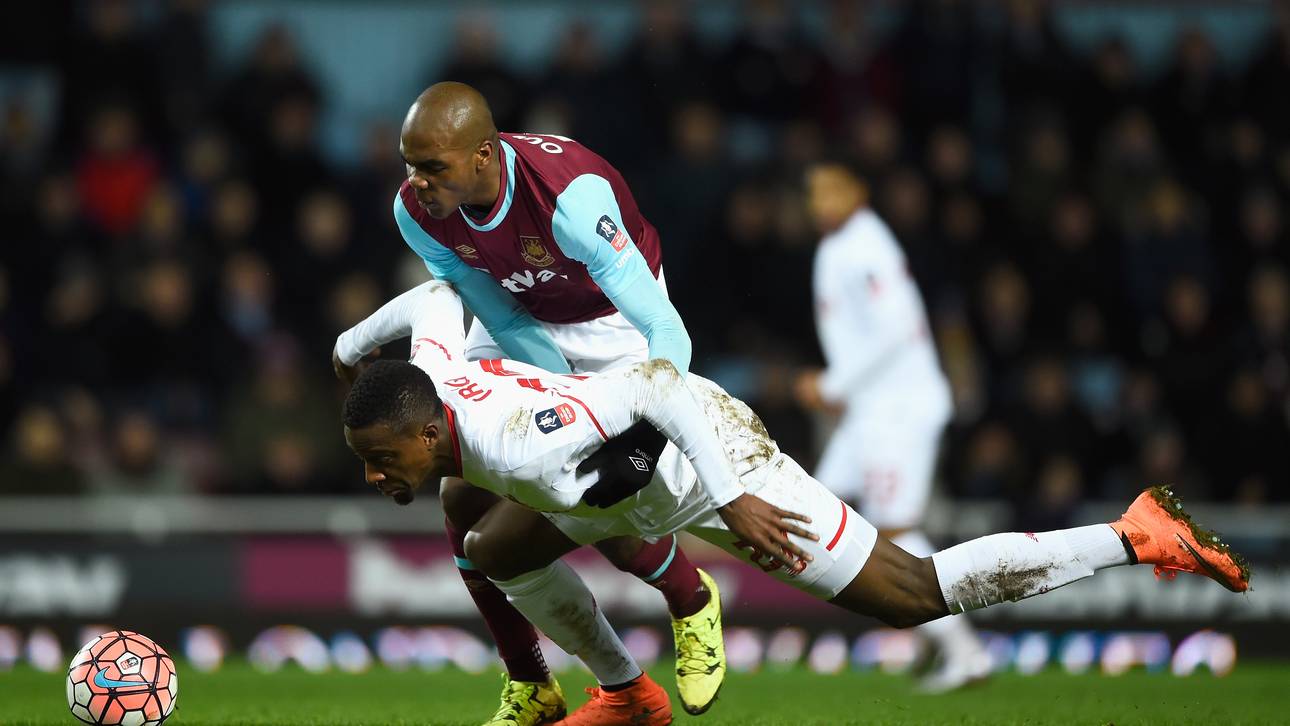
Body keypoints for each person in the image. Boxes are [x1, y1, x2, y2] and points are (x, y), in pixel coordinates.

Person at [338, 280, 1250, 726]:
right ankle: (625, 694)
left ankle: (1134, 533)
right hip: (612, 489)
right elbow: (431, 294)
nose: (377, 479)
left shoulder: (521, 434)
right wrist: (351, 347)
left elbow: (664, 387)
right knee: (489, 546)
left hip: (706, 464)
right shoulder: (434, 383)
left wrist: (733, 502)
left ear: (422, 433)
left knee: (911, 596)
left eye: (381, 460)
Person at [334, 81, 722, 724]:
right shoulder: (415, 211)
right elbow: (502, 317)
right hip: (523, 322)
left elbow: (669, 333)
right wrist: (559, 401)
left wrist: (644, 436)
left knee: (595, 482)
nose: (417, 182)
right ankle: (532, 683)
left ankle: (690, 599)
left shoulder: (568, 198)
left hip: (615, 321)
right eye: (410, 165)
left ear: (483, 155)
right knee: (460, 490)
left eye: (433, 167)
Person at [793, 160, 990, 691]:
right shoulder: (841, 245)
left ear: (859, 192)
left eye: (832, 189)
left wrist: (833, 385)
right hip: (871, 408)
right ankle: (924, 631)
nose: (820, 202)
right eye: (814, 192)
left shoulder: (865, 245)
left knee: (896, 525)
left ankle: (965, 650)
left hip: (899, 407)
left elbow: (898, 328)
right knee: (819, 501)